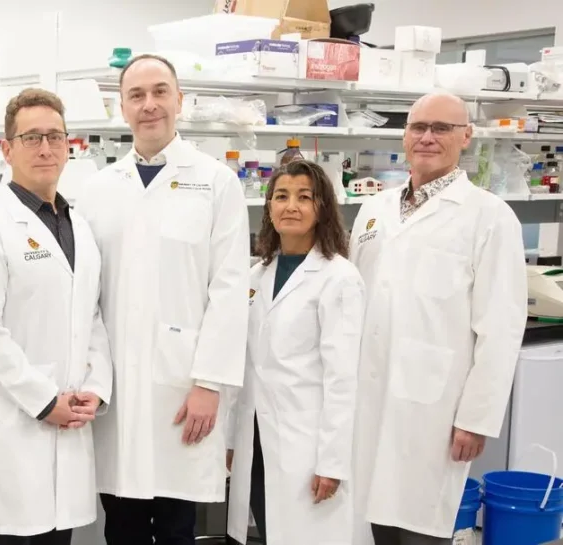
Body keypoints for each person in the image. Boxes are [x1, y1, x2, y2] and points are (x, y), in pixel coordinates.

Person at [75, 54, 251, 545]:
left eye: (159, 92)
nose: (149, 105)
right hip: (116, 384)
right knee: (122, 521)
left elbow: (230, 289)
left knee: (177, 524)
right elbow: (85, 294)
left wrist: (210, 383)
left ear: (180, 101)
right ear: (122, 108)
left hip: (184, 386)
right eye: (136, 95)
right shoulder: (96, 189)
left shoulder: (217, 183)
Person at [350, 92, 527, 545]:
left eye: (442, 128)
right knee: (372, 524)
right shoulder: (373, 211)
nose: (427, 137)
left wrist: (477, 418)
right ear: (404, 136)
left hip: (435, 406)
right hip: (365, 397)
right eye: (418, 127)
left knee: (421, 528)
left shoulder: (490, 217)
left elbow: (501, 328)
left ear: (465, 136)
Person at [0, 88, 114, 545]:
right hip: (15, 427)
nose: (45, 148)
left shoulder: (79, 226)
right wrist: (46, 400)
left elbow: (94, 318)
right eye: (31, 138)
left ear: (69, 145)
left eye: (54, 137)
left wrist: (96, 391)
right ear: (7, 149)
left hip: (70, 423)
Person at [224, 161, 364, 545]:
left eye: (305, 197)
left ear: (322, 208)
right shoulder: (255, 276)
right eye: (281, 196)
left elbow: (342, 379)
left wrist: (333, 462)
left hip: (306, 442)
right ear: (268, 207)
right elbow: (244, 366)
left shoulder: (339, 278)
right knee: (269, 532)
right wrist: (231, 441)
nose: (291, 206)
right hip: (256, 438)